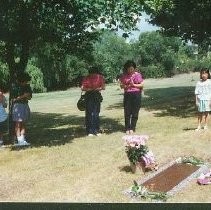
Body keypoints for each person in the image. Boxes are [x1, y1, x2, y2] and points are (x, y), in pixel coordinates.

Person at [119, 60, 144, 134]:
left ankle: (132, 128)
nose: (131, 70)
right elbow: (121, 86)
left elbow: (141, 85)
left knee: (135, 111)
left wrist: (133, 85)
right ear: (126, 69)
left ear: (134, 68)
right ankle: (127, 128)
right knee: (127, 112)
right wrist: (125, 86)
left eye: (132, 69)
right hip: (128, 95)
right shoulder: (124, 76)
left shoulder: (138, 75)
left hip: (136, 94)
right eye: (129, 69)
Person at [81, 66, 105, 136]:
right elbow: (82, 88)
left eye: (94, 74)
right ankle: (89, 131)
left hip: (96, 95)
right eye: (92, 74)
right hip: (88, 95)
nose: (93, 75)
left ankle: (96, 130)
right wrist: (90, 89)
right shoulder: (86, 78)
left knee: (96, 113)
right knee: (89, 114)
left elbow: (103, 87)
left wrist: (97, 88)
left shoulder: (100, 77)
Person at [11, 72, 32, 145]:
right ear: (21, 80)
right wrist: (23, 96)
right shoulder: (15, 87)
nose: (26, 82)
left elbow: (29, 97)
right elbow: (14, 99)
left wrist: (25, 96)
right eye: (25, 81)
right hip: (18, 106)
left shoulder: (27, 86)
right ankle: (19, 140)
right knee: (18, 123)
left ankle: (23, 139)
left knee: (23, 123)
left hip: (25, 105)